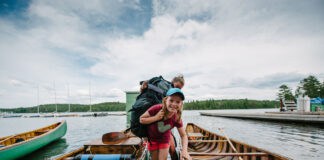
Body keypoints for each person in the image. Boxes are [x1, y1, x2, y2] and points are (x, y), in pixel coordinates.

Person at [140, 88, 191, 160]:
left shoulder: (176, 117)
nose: (174, 104)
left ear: (181, 104)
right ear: (165, 100)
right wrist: (156, 118)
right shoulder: (156, 109)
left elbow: (183, 135)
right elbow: (141, 119)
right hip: (152, 140)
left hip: (164, 140)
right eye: (171, 100)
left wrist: (184, 151)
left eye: (178, 102)